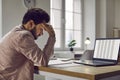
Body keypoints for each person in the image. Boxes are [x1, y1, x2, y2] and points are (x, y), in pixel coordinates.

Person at [0, 8, 56, 80]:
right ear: (31, 24)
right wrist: (52, 36)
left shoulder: (16, 32)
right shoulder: (23, 36)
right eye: (41, 28)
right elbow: (43, 61)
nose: (42, 33)